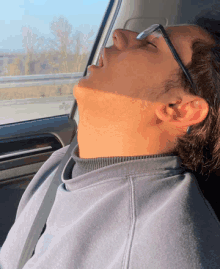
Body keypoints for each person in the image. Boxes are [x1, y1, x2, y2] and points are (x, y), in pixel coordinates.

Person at [1, 22, 220, 269]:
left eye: (151, 44)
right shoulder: (63, 163)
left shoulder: (162, 250)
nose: (120, 35)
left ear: (179, 109)